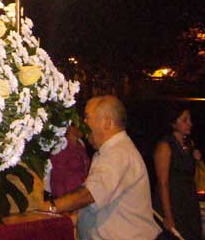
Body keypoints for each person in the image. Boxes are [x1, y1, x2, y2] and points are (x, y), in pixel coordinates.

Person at [43, 95, 161, 239]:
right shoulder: (110, 152)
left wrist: (49, 208)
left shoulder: (118, 153)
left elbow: (89, 194)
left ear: (106, 122)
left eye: (87, 118)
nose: (83, 124)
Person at [153, 105, 202, 239]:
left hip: (188, 201)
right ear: (173, 123)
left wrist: (197, 161)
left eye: (190, 120)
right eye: (185, 120)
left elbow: (192, 175)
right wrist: (168, 215)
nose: (190, 124)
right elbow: (163, 183)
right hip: (173, 202)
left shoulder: (190, 144)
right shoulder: (165, 146)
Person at [48, 123, 91, 199]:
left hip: (82, 194)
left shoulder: (81, 144)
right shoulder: (61, 146)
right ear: (70, 127)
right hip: (68, 195)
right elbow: (57, 177)